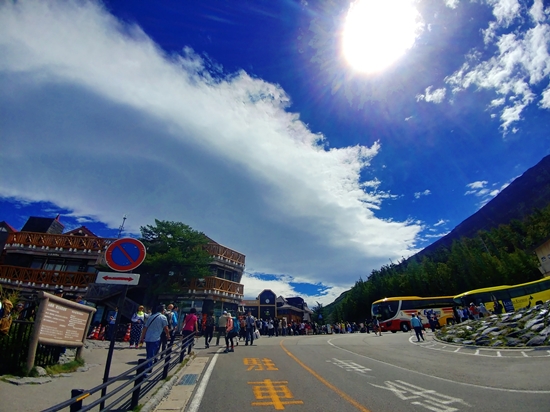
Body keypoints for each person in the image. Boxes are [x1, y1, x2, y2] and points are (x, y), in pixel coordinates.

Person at [140, 305, 169, 374]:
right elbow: (166, 328)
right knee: (151, 354)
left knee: (149, 353)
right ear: (162, 310)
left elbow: (145, 328)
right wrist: (168, 335)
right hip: (155, 338)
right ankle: (146, 370)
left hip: (148, 338)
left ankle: (147, 368)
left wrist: (142, 337)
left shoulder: (151, 317)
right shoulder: (163, 317)